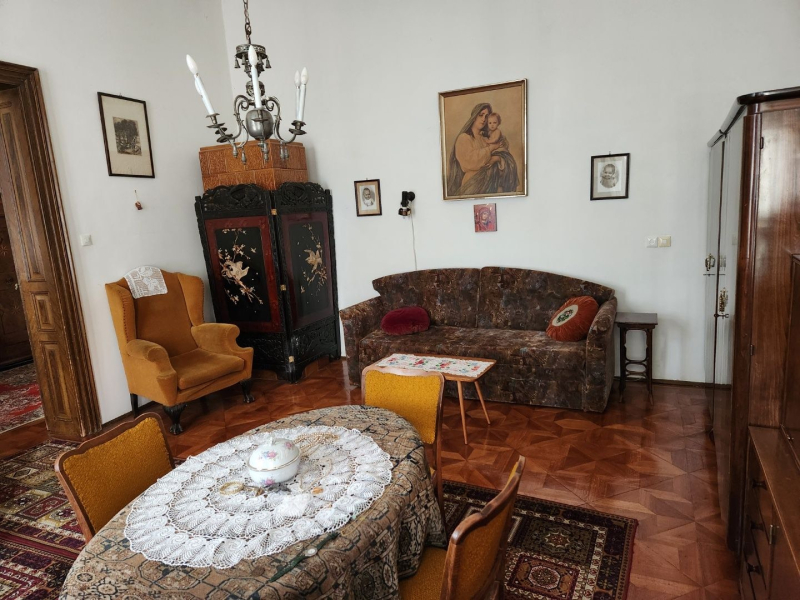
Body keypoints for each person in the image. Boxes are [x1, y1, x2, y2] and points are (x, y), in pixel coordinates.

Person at [446, 103, 519, 197]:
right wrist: (491, 148)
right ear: (474, 117)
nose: (484, 119)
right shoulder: (464, 138)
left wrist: (497, 159)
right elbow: (468, 162)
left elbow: (504, 155)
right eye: (481, 115)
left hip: (492, 183)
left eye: (486, 116)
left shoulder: (487, 138)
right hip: (473, 185)